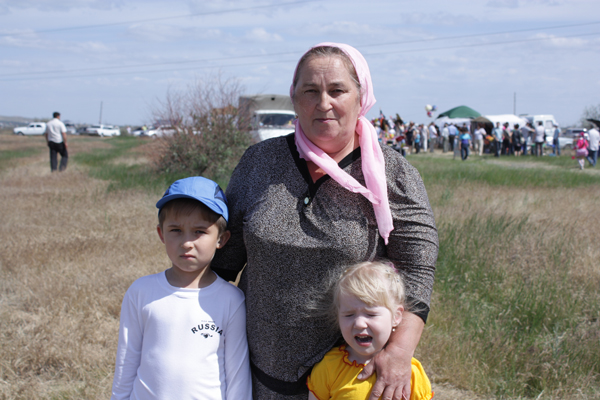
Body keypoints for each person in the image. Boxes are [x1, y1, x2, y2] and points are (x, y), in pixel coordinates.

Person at [211, 43, 438, 400]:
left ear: (361, 96)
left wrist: (399, 351)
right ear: (294, 97)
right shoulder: (260, 162)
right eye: (311, 91)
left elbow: (417, 268)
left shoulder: (393, 174)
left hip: (350, 380)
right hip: (254, 372)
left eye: (337, 90)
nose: (324, 103)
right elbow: (224, 262)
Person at [111, 177, 252, 400]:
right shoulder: (140, 292)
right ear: (161, 234)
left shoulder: (231, 300)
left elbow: (237, 375)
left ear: (221, 239)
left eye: (199, 231)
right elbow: (126, 361)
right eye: (176, 230)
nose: (187, 242)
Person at [306, 261, 433, 400]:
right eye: (349, 315)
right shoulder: (329, 367)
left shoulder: (410, 373)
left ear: (396, 316)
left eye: (371, 314)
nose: (359, 323)